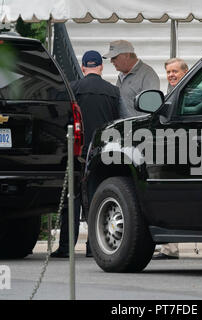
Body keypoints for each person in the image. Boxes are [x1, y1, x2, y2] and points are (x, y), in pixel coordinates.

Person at [51, 50, 121, 258]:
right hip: (102, 153)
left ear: (83, 68)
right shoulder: (113, 91)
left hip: (76, 151)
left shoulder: (72, 89)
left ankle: (66, 247)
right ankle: (94, 246)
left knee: (71, 199)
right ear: (100, 67)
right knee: (96, 199)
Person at [153, 58, 189, 260]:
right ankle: (168, 246)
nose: (171, 75)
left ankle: (170, 247)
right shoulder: (171, 93)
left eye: (175, 71)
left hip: (185, 152)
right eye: (168, 72)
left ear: (186, 72)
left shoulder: (192, 93)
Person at [103, 40, 160, 117]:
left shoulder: (148, 74)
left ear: (126, 56)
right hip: (124, 126)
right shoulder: (121, 75)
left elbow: (151, 107)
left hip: (138, 127)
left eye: (114, 57)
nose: (111, 61)